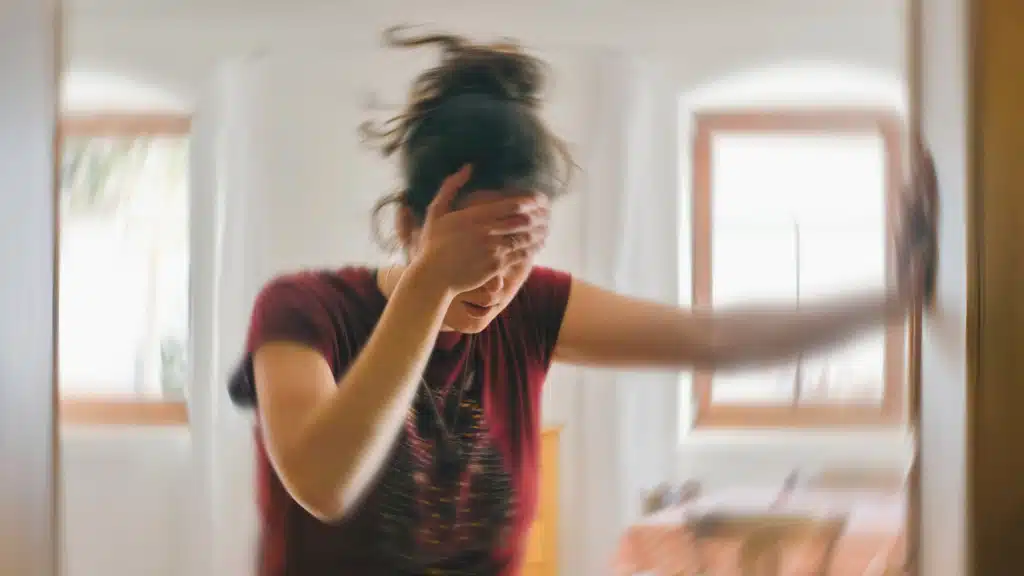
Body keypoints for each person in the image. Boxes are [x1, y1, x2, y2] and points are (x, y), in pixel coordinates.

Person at [227, 27, 937, 576]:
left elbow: (713, 340)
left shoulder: (532, 309)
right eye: (472, 250)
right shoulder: (302, 311)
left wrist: (895, 298)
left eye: (517, 252)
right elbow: (323, 482)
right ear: (410, 225)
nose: (494, 283)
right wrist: (430, 285)